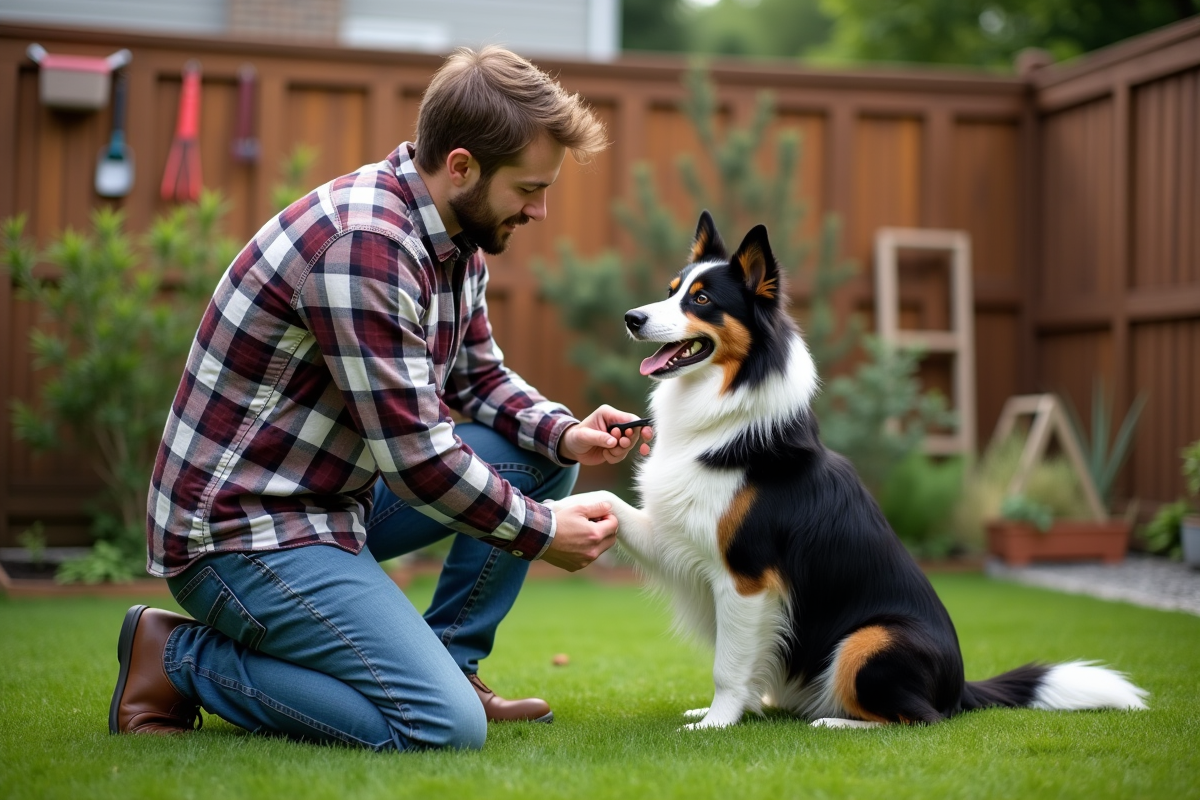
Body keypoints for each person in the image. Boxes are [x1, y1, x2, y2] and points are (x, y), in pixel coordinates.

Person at [109, 46, 650, 752]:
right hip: (240, 534)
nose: (540, 210)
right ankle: (180, 659)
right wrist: (543, 533)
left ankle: (452, 666)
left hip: (332, 503)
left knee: (538, 457)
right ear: (461, 167)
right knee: (438, 728)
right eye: (528, 189)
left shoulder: (456, 242)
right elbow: (419, 462)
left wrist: (565, 434)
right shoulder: (364, 246)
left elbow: (478, 379)